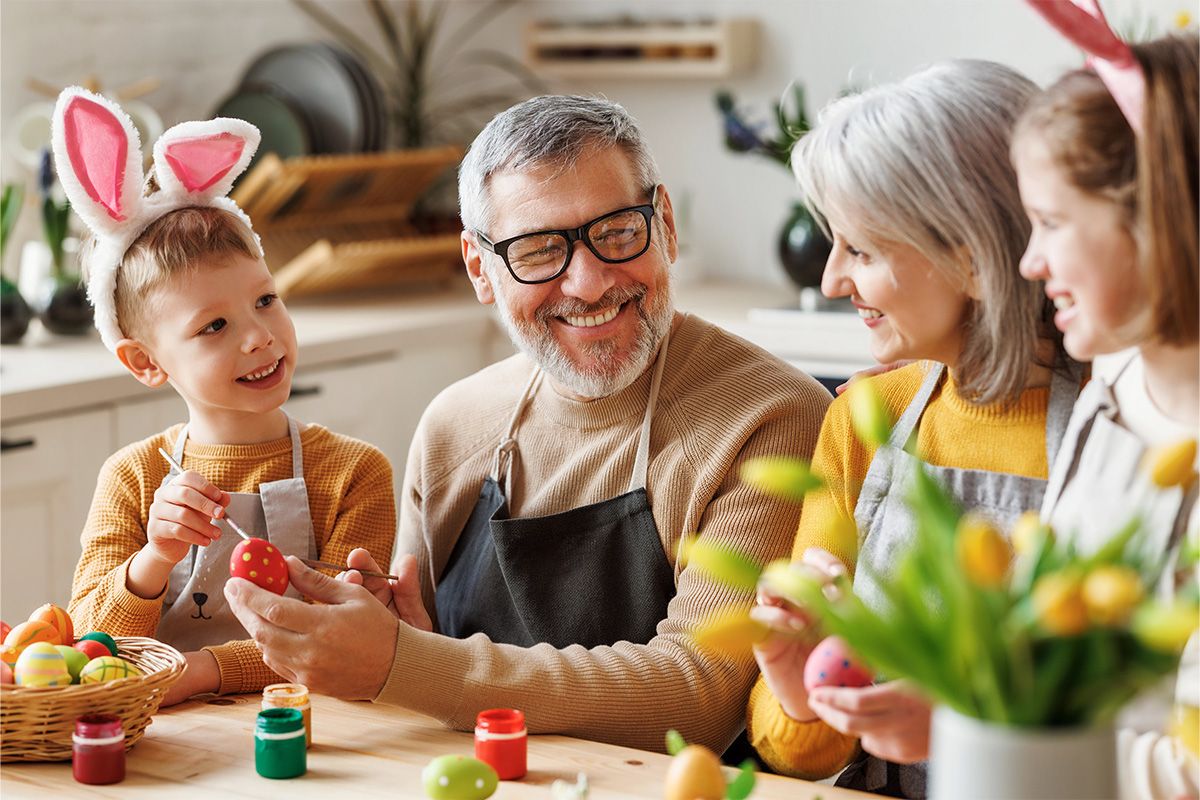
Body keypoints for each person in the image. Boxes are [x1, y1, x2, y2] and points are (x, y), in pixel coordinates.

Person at [223, 94, 831, 753]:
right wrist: (405, 641)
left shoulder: (771, 419)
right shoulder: (454, 427)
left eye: (618, 232)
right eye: (539, 251)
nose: (589, 283)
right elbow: (428, 665)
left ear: (665, 226)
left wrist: (403, 661)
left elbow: (700, 695)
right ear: (479, 269)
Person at [745, 60, 1081, 797]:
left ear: (972, 257)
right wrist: (799, 691)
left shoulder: (1116, 432)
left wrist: (961, 723)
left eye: (861, 250)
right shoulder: (867, 419)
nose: (832, 281)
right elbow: (795, 754)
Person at [58, 88, 396, 705]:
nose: (259, 336)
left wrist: (200, 672)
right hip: (165, 739)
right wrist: (155, 558)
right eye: (214, 326)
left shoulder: (355, 473)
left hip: (309, 728)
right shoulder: (131, 479)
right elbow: (90, 642)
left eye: (265, 300)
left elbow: (337, 642)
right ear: (145, 362)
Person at [1011, 6, 1198, 796]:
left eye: (1052, 222)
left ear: (1159, 216)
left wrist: (988, 732)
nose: (1030, 261)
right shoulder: (1115, 381)